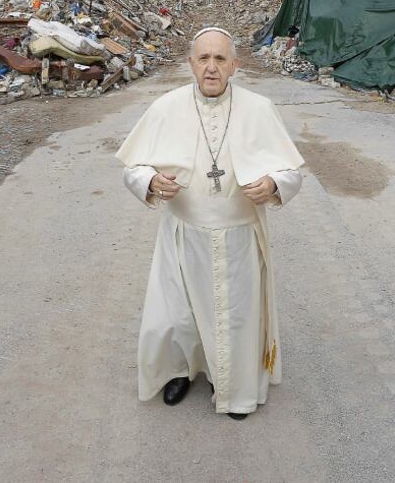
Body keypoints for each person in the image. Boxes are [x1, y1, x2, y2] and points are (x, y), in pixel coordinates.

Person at [116, 27, 304, 420]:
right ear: (191, 64)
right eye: (204, 58)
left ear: (235, 65)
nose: (212, 67)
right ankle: (180, 371)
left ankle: (234, 388)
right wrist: (149, 181)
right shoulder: (166, 107)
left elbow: (293, 173)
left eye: (220, 59)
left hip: (239, 236)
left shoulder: (259, 108)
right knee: (179, 313)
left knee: (235, 316)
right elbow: (132, 168)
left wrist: (272, 183)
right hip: (183, 233)